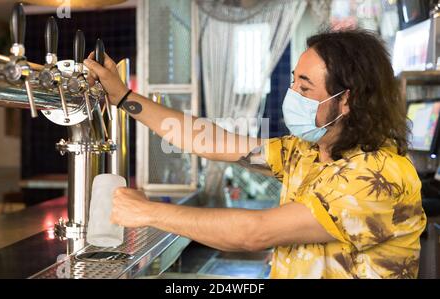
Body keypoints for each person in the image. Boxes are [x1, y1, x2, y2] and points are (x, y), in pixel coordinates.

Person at [84, 29, 426, 279]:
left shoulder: (377, 175)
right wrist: (123, 97)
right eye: (294, 83)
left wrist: (147, 213)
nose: (292, 95)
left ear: (347, 100)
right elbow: (207, 141)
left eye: (305, 88)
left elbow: (254, 233)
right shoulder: (308, 151)